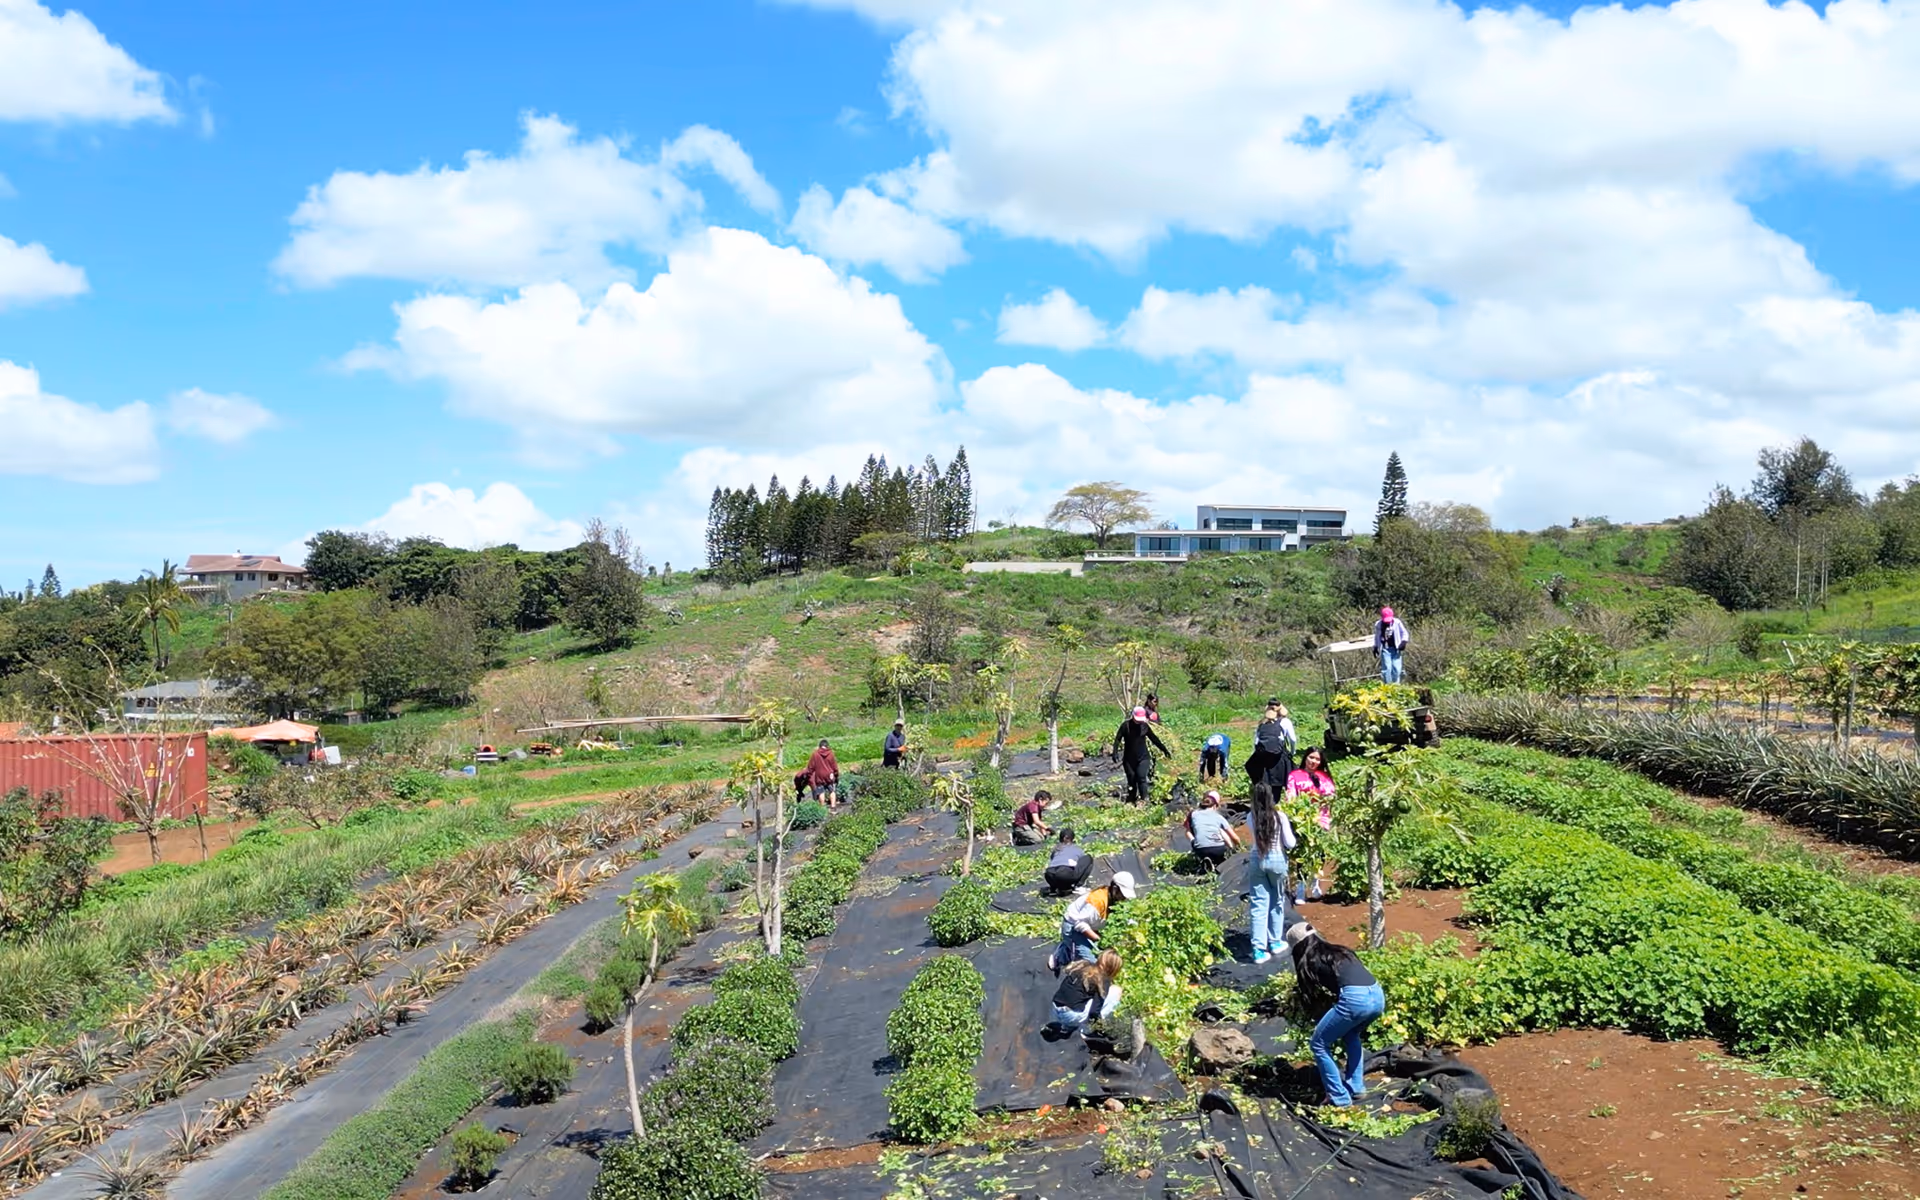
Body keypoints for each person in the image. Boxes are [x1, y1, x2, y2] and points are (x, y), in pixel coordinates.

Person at [1286, 922, 1386, 1107]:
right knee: (1351, 1034)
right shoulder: (1340, 951)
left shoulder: (1311, 962)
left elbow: (1314, 999)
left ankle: (1338, 1097)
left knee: (1319, 1044)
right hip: (1378, 996)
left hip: (1356, 1000)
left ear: (1297, 947)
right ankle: (1356, 1088)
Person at [1245, 783, 1297, 964]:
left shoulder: (1250, 816)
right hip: (1276, 860)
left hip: (1256, 859)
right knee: (1277, 900)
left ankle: (1259, 950)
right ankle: (1275, 942)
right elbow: (1290, 843)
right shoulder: (1279, 816)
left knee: (1259, 904)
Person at [1050, 871, 1138, 971]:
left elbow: (1123, 918)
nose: (1124, 898)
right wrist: (1098, 940)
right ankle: (1062, 954)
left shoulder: (1115, 900)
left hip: (1092, 926)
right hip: (1073, 928)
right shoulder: (1097, 901)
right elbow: (1079, 924)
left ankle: (1070, 946)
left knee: (1104, 955)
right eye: (1123, 895)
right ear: (1115, 889)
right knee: (1092, 964)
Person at [1287, 747, 1337, 902]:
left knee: (1319, 854)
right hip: (1303, 821)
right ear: (1305, 758)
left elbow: (1331, 796)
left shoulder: (1325, 777)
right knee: (1302, 854)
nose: (1313, 761)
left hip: (1322, 820)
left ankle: (1315, 884)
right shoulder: (1294, 776)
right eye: (1311, 757)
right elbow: (1291, 798)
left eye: (1317, 759)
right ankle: (1301, 890)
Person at [1048, 950, 1124, 1033]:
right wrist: (1098, 1027)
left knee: (1080, 996)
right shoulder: (1103, 980)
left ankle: (1068, 1026)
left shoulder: (1083, 965)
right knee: (1117, 991)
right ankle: (1087, 1031)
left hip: (1054, 1010)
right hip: (1070, 1016)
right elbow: (1094, 1012)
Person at [1111, 707, 1171, 804]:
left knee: (1141, 777)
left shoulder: (1145, 726)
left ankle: (1144, 800)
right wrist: (1115, 752)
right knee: (1131, 780)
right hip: (1128, 759)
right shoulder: (1126, 726)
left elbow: (1154, 739)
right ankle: (1131, 800)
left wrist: (1164, 750)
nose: (1138, 722)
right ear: (1133, 716)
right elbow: (1118, 739)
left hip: (1143, 758)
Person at [1184, 789, 1242, 870]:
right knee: (1221, 831)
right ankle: (1218, 861)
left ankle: (1205, 860)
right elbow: (1235, 838)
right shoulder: (1219, 817)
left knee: (1198, 836)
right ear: (1215, 805)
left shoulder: (1193, 814)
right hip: (1218, 849)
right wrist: (1238, 847)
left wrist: (1194, 841)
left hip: (1200, 849)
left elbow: (1187, 832)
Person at [1243, 704, 1293, 793]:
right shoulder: (1285, 721)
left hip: (1262, 758)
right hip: (1279, 757)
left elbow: (1256, 742)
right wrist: (1292, 752)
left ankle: (1261, 797)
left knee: (1263, 783)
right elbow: (1293, 739)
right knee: (1277, 785)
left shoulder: (1262, 724)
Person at [1044, 827, 1092, 894]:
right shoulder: (1076, 848)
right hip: (1065, 874)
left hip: (1049, 875)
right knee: (1088, 858)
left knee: (1061, 873)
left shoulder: (1056, 849)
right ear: (1072, 839)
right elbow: (1082, 862)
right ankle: (1078, 886)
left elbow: (1052, 859)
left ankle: (1055, 889)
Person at [1374, 606, 1410, 684]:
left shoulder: (1397, 623)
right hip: (1385, 649)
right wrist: (1376, 647)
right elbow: (1377, 636)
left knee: (1397, 669)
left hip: (1396, 649)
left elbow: (1404, 633)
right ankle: (1388, 686)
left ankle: (1396, 685)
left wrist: (1403, 642)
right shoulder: (1378, 624)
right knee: (1387, 669)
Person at [803, 739, 840, 809]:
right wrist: (836, 774)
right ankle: (833, 806)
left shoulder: (815, 754)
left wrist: (809, 775)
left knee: (821, 792)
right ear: (827, 746)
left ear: (819, 746)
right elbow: (835, 766)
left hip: (819, 775)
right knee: (832, 791)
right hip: (830, 775)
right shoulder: (831, 754)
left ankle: (822, 807)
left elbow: (810, 767)